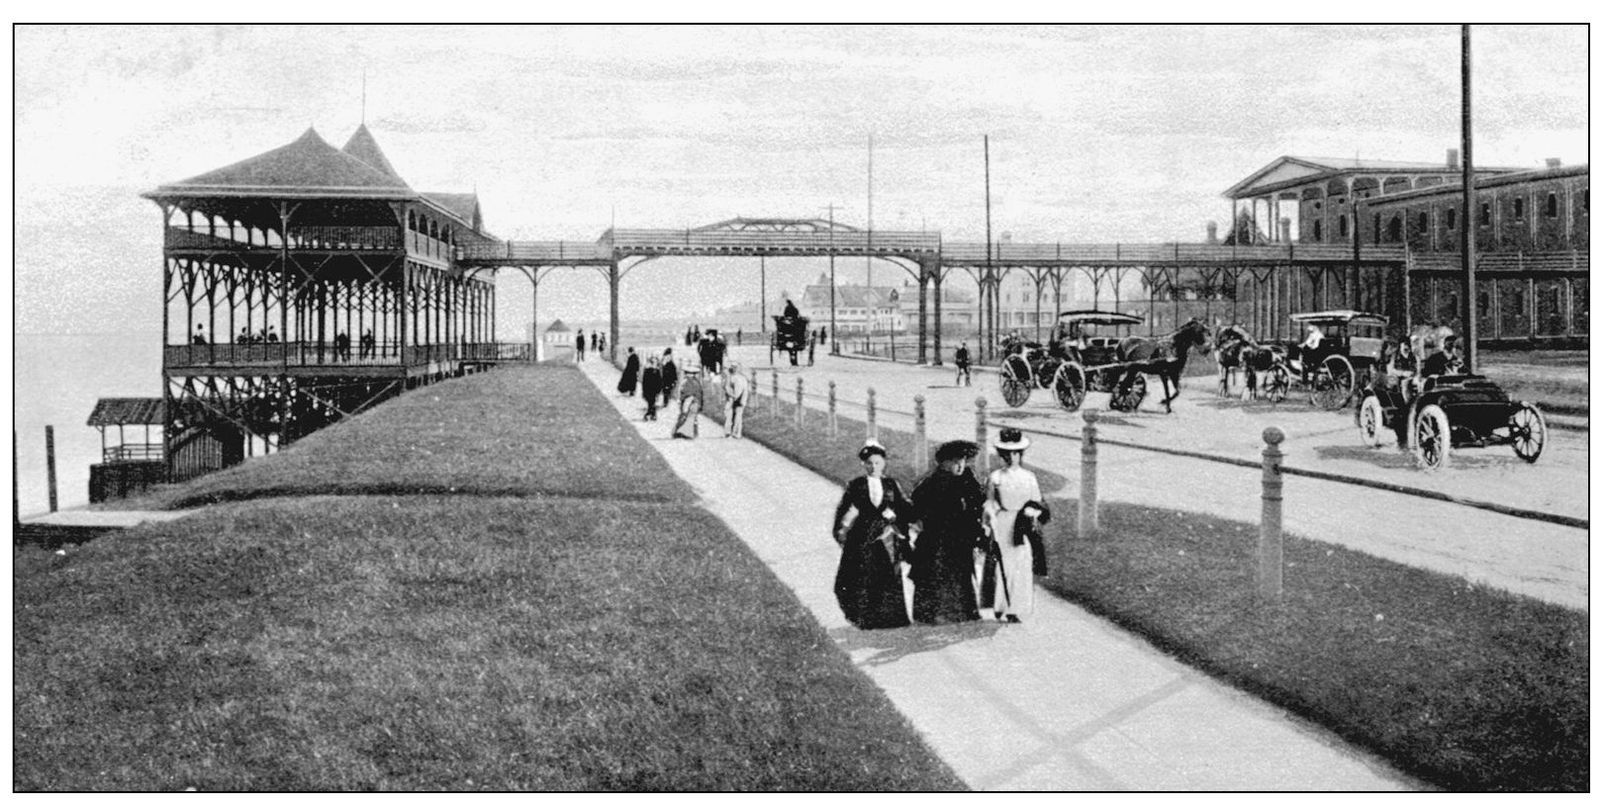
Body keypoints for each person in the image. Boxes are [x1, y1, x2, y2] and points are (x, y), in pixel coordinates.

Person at [831, 439, 914, 630]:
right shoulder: (856, 484)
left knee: (888, 572)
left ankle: (891, 618)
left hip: (886, 533)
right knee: (862, 573)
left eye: (877, 462)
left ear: (884, 463)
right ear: (863, 464)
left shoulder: (891, 484)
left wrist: (910, 516)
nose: (873, 466)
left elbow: (902, 506)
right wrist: (839, 531)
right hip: (863, 532)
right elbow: (843, 509)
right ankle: (865, 617)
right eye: (869, 463)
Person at [909, 440, 986, 625]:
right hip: (937, 537)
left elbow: (978, 502)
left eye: (963, 461)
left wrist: (977, 526)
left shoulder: (967, 479)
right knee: (935, 573)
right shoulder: (932, 483)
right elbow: (917, 508)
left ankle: (964, 611)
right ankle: (931, 613)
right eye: (955, 462)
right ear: (943, 463)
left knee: (962, 572)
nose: (960, 465)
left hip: (961, 536)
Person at [982, 428, 1049, 623]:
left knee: (1022, 563)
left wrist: (1033, 512)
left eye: (1015, 453)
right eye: (1007, 454)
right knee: (1005, 564)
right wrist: (989, 513)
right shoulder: (996, 477)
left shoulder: (1029, 477)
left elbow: (1038, 502)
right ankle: (1000, 605)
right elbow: (990, 502)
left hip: (1023, 524)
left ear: (1020, 454)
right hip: (1003, 522)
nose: (1012, 457)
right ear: (1001, 455)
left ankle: (1016, 608)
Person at [672, 370, 704, 439]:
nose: (690, 375)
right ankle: (680, 431)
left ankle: (687, 433)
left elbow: (699, 393)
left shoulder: (694, 382)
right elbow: (681, 392)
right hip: (689, 401)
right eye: (689, 373)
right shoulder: (686, 382)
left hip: (693, 401)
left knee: (690, 417)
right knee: (685, 416)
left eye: (692, 373)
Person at [723, 362, 748, 438]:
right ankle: (730, 431)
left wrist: (734, 397)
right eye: (732, 367)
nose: (734, 369)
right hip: (733, 398)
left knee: (737, 416)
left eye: (735, 367)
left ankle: (736, 432)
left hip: (738, 399)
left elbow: (742, 390)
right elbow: (726, 387)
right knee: (729, 414)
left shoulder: (740, 378)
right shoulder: (730, 377)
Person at [641, 356, 663, 421]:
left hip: (654, 390)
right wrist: (644, 390)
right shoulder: (647, 371)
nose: (654, 364)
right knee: (651, 403)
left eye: (656, 362)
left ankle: (650, 414)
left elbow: (659, 381)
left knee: (651, 403)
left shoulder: (657, 371)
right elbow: (644, 382)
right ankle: (651, 414)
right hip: (648, 390)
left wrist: (659, 390)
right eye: (653, 362)